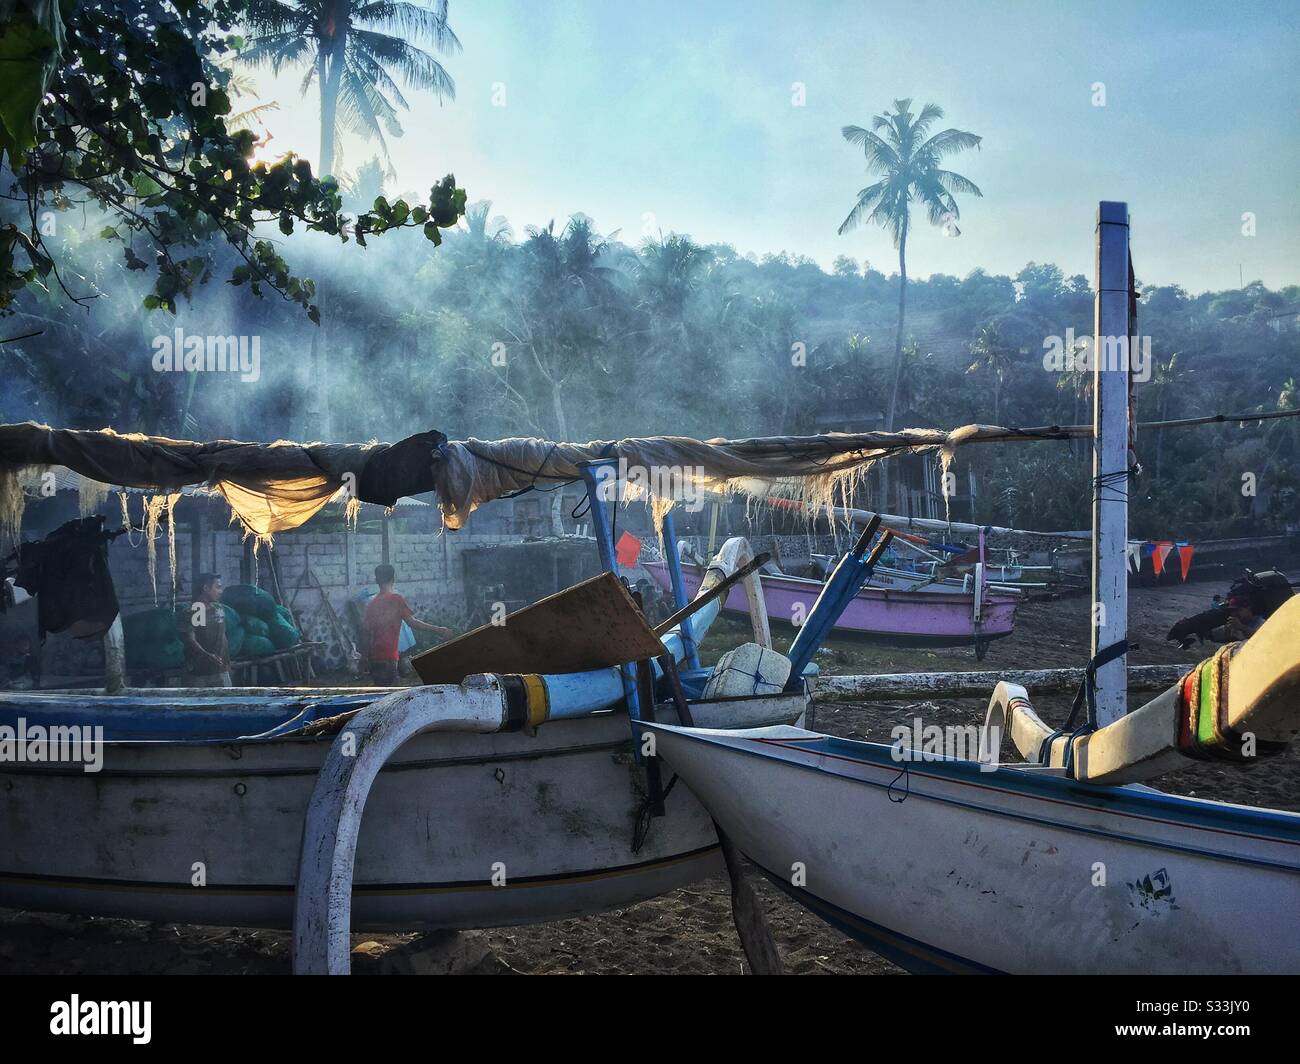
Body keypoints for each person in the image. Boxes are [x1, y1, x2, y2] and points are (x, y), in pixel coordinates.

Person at [363, 564, 453, 685]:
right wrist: (439, 630)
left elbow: (366, 633)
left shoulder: (372, 604)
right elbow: (413, 623)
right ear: (394, 578)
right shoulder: (396, 599)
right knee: (392, 697)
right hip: (389, 658)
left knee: (380, 693)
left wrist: (363, 657)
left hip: (374, 659)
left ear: (376, 580)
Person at [180, 573, 231, 687]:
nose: (220, 591)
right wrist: (208, 655)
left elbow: (223, 636)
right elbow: (191, 640)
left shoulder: (218, 609)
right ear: (206, 588)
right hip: (199, 673)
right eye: (217, 587)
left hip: (220, 670)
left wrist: (226, 661)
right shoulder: (195, 610)